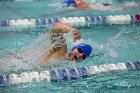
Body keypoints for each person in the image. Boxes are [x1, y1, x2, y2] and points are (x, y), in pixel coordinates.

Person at [63, 0, 139, 11]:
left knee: (129, 6)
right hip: (104, 7)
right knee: (128, 6)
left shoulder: (83, 6)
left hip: (102, 6)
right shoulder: (82, 7)